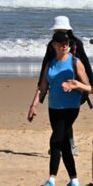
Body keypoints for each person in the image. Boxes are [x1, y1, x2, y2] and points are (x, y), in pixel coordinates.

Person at [28, 31, 90, 186]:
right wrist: (33, 105)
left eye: (67, 43)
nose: (65, 46)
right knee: (63, 142)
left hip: (70, 108)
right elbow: (43, 87)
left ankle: (51, 180)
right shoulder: (50, 63)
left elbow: (90, 87)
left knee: (55, 140)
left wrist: (76, 85)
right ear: (54, 45)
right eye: (61, 43)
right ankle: (74, 180)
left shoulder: (75, 63)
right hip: (53, 107)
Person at [38, 16, 92, 156]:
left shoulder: (58, 44)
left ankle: (61, 144)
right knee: (63, 119)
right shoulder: (58, 44)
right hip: (65, 85)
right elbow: (48, 64)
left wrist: (89, 86)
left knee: (63, 119)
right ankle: (65, 144)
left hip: (74, 86)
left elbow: (83, 64)